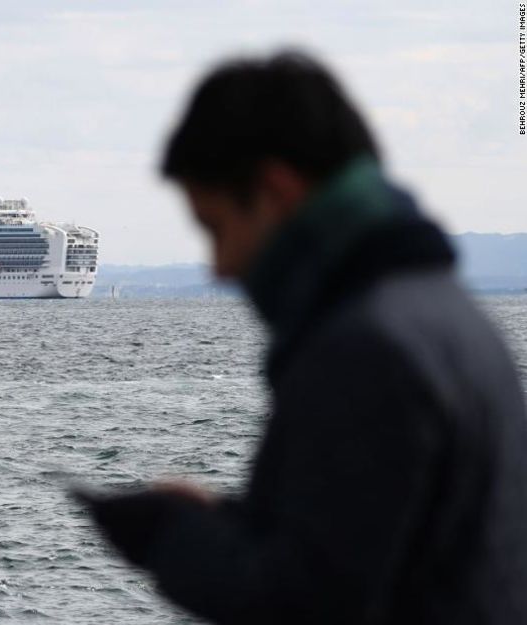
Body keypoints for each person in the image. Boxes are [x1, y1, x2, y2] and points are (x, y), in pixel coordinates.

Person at [77, 50, 527, 624]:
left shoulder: (366, 349)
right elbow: (390, 545)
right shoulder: (452, 318)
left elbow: (306, 606)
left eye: (216, 228)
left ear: (275, 191)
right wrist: (240, 527)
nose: (218, 267)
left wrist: (172, 537)